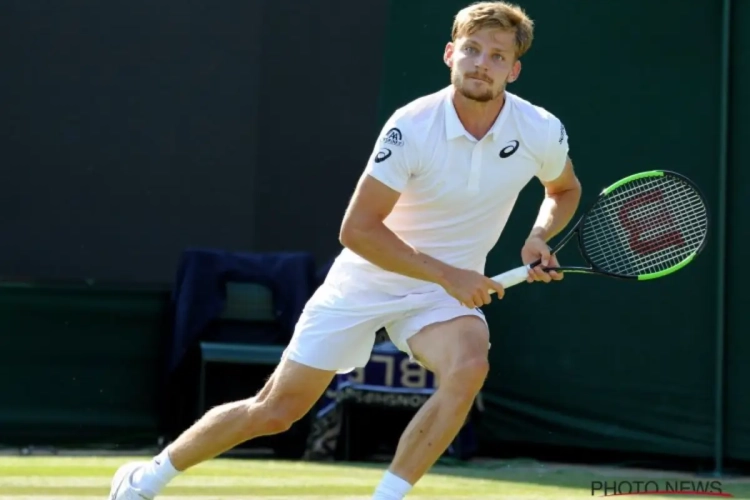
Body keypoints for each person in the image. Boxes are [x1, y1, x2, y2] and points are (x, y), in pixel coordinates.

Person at [108, 1, 582, 499]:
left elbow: (563, 189)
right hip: (370, 277)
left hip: (443, 295)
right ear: (450, 54)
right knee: (276, 410)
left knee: (469, 368)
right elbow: (357, 230)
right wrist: (448, 274)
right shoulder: (412, 126)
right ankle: (146, 478)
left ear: (514, 68)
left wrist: (537, 236)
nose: (481, 63)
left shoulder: (539, 130)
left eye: (496, 55)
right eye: (471, 49)